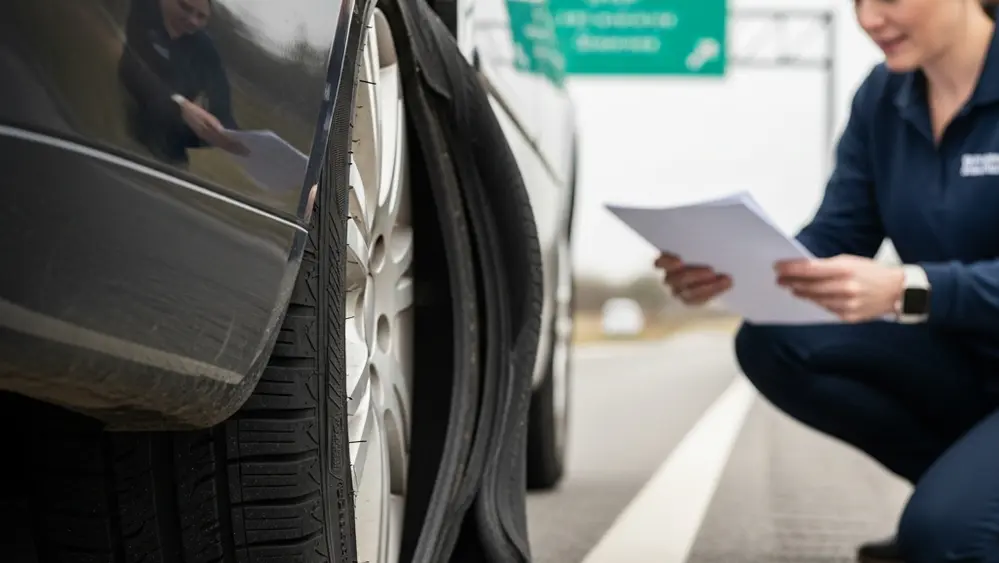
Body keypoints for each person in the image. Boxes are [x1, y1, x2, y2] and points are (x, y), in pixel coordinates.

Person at [655, 1, 999, 561]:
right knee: (775, 338)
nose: (868, 19)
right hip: (969, 365)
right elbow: (838, 235)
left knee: (948, 542)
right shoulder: (882, 97)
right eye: (858, 0)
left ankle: (960, 514)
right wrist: (737, 268)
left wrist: (907, 288)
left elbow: (905, 288)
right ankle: (957, 494)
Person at [118, 0, 246, 166]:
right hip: (118, 139)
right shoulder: (140, 11)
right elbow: (128, 65)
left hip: (169, 154)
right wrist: (180, 106)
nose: (193, 21)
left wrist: (232, 137)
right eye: (185, 7)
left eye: (201, 17)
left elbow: (222, 105)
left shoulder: (204, 49)